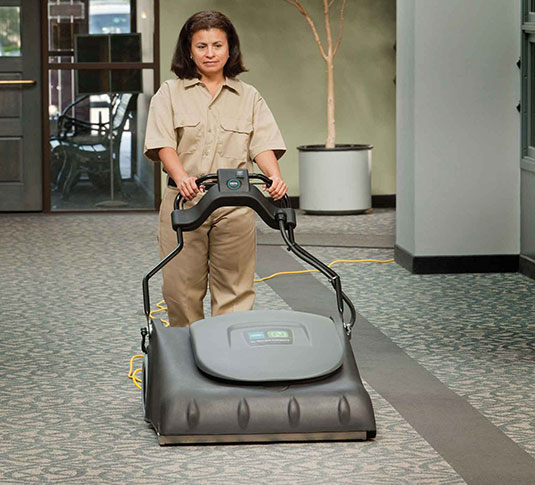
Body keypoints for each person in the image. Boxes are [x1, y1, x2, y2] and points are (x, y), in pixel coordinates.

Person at [144, 11, 287, 326]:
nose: (210, 53)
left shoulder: (248, 96)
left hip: (235, 205)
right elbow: (163, 143)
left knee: (235, 291)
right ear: (189, 50)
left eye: (217, 45)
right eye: (201, 46)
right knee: (181, 291)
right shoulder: (170, 93)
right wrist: (181, 177)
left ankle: (227, 351)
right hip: (185, 202)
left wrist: (274, 176)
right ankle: (188, 351)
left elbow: (262, 143)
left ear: (230, 49)